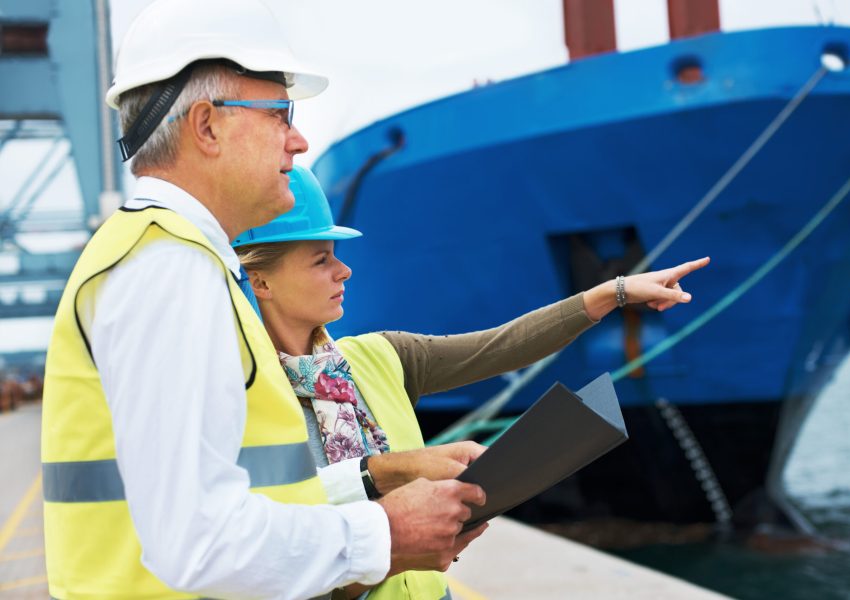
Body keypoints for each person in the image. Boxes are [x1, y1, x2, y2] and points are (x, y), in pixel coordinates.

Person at [41, 1, 486, 599]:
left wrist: (388, 474)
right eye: (280, 113)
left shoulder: (170, 258)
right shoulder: (168, 269)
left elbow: (244, 495)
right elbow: (198, 541)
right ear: (206, 125)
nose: (299, 141)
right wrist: (383, 532)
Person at [233, 166, 712, 599]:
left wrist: (614, 292)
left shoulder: (381, 356)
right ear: (260, 282)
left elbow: (502, 346)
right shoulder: (242, 396)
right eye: (321, 260)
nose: (345, 269)